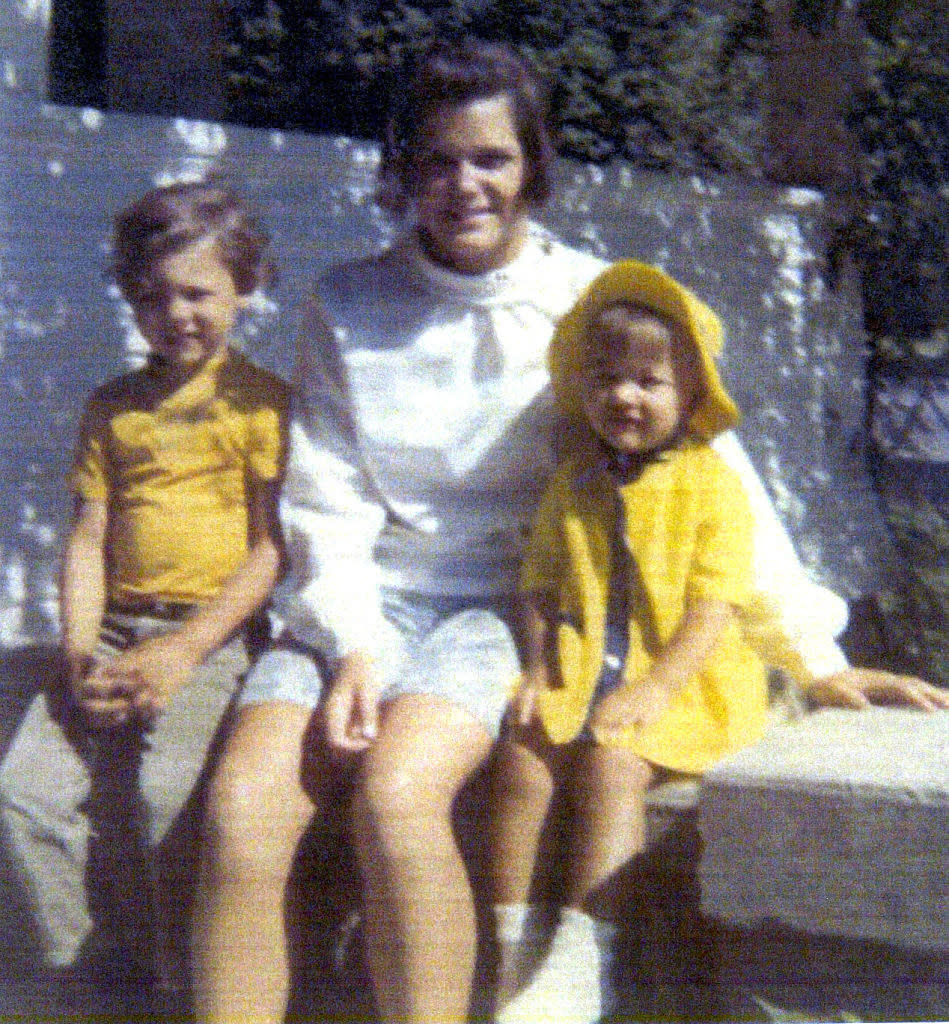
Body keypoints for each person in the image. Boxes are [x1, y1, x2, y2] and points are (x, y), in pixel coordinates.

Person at [191, 37, 947, 1024]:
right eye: (437, 160)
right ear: (403, 170)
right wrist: (354, 646)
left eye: (491, 159)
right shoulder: (348, 301)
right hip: (357, 605)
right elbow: (323, 498)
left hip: (510, 608)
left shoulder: (589, 304)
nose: (464, 185)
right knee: (238, 810)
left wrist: (812, 654)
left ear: (532, 166)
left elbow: (711, 481)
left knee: (395, 791)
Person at [0, 180, 288, 1015]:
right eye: (151, 295)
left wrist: (188, 647)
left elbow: (271, 547)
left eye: (197, 291)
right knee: (26, 796)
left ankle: (179, 987)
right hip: (113, 630)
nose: (176, 313)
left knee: (162, 797)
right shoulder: (113, 408)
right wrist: (82, 652)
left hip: (212, 637)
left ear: (245, 285)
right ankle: (95, 983)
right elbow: (88, 539)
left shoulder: (257, 401)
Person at [490, 259, 777, 1023]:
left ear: (690, 396)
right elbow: (539, 586)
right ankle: (511, 949)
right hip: (584, 670)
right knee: (522, 756)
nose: (623, 396)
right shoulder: (574, 481)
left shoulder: (708, 482)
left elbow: (714, 602)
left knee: (613, 767)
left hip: (687, 677)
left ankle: (585, 956)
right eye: (607, 379)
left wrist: (657, 686)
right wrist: (536, 665)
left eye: (648, 382)